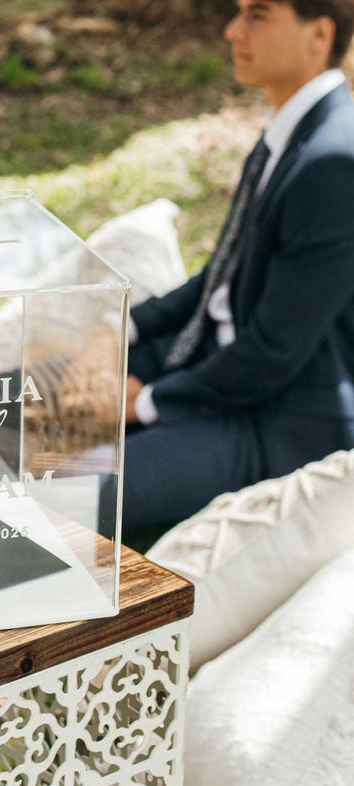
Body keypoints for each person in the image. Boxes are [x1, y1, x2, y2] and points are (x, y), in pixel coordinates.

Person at [120, 0, 354, 538]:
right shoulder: (286, 134)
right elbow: (221, 275)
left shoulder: (334, 161)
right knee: (5, 405)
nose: (232, 30)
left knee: (74, 493)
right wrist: (120, 328)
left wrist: (148, 402)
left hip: (275, 417)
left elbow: (275, 350)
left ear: (318, 33)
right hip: (201, 364)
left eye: (258, 15)